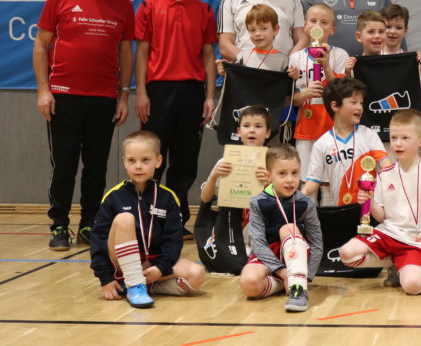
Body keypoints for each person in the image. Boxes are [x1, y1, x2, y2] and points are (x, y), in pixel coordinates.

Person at [34, 0, 134, 250]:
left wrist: (123, 96)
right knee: (64, 165)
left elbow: (126, 53)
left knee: (96, 166)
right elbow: (41, 45)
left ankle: (89, 224)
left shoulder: (123, 4)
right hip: (63, 96)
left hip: (104, 99)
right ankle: (59, 225)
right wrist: (44, 91)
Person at [135, 0, 217, 234]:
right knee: (154, 157)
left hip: (191, 93)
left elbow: (208, 56)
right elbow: (141, 52)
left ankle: (176, 219)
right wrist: (141, 92)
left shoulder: (204, 10)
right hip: (158, 92)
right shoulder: (148, 7)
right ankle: (150, 217)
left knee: (185, 162)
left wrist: (210, 96)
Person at [337, 109, 421, 293]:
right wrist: (368, 201)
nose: (398, 143)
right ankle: (398, 264)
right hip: (389, 234)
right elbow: (382, 217)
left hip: (418, 242)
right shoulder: (384, 174)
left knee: (412, 287)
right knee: (346, 254)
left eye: (405, 138)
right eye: (393, 137)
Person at [90, 131, 206, 308]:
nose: (138, 166)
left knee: (197, 273)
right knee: (124, 219)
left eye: (145, 160)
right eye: (132, 160)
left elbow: (173, 241)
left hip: (153, 264)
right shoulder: (113, 197)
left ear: (158, 161)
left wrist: (160, 268)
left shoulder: (168, 198)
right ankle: (135, 284)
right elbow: (98, 240)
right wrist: (105, 278)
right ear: (124, 162)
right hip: (121, 265)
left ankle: (144, 285)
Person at [240, 144, 323, 312]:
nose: (290, 179)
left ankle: (299, 289)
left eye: (295, 173)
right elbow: (258, 242)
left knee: (289, 228)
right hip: (268, 254)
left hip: (297, 253)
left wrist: (307, 276)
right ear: (269, 176)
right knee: (249, 284)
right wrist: (283, 272)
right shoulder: (257, 202)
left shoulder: (306, 203)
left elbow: (316, 243)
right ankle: (289, 281)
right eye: (282, 173)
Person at [196, 106, 272, 273]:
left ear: (267, 133)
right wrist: (214, 176)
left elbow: (286, 199)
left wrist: (270, 183)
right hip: (232, 228)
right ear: (238, 131)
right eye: (246, 126)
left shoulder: (274, 163)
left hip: (264, 229)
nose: (252, 130)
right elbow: (205, 198)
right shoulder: (225, 162)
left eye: (258, 126)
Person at [303, 77, 391, 207]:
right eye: (354, 102)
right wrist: (296, 198)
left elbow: (386, 166)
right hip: (341, 209)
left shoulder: (369, 135)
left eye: (361, 103)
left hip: (371, 208)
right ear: (335, 106)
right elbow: (312, 181)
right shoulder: (321, 144)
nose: (359, 108)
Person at [289, 4, 350, 179]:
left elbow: (342, 93)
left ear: (333, 29)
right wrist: (305, 94)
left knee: (331, 181)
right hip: (306, 127)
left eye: (324, 22)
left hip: (334, 128)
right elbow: (292, 99)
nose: (318, 26)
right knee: (306, 178)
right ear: (306, 26)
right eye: (313, 21)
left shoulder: (340, 55)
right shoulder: (296, 58)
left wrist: (326, 66)